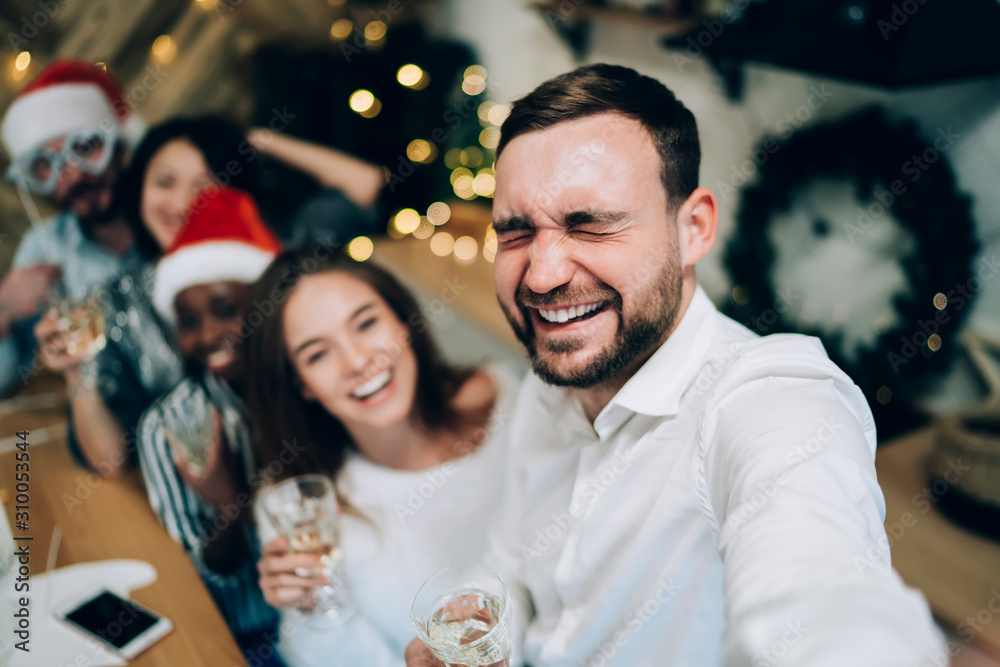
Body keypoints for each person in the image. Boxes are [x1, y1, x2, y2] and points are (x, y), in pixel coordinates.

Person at [405, 64, 946, 666]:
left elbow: (826, 607)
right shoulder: (550, 382)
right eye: (515, 232)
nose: (542, 273)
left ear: (694, 229)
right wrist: (487, 625)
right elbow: (513, 567)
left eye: (591, 225)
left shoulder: (772, 400)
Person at [35, 114, 386, 476]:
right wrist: (77, 376)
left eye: (205, 186)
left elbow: (363, 182)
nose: (183, 203)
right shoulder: (120, 301)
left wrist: (253, 138)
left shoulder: (282, 256)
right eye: (165, 182)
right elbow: (110, 461)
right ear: (138, 188)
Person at [245, 245, 519, 667]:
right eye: (317, 354)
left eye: (367, 323)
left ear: (402, 320)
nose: (358, 361)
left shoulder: (506, 397)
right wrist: (312, 607)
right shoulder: (303, 507)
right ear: (301, 384)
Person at [136, 187, 283, 663]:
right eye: (187, 320)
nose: (205, 336)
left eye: (225, 309)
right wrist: (228, 504)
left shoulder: (312, 389)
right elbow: (202, 581)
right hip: (248, 639)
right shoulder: (168, 427)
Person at [0, 60, 142, 394]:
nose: (74, 175)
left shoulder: (163, 211)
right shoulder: (44, 248)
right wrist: (3, 308)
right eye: (45, 164)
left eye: (84, 147)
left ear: (119, 146)